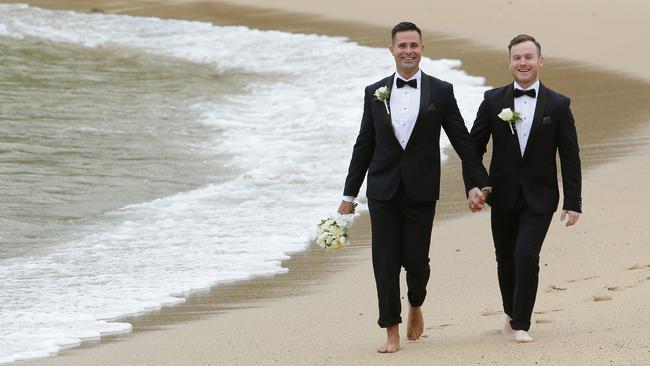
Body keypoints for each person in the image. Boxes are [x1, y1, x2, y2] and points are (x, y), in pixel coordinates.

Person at [338, 21, 490, 353]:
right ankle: (390, 332)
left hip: (421, 188)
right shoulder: (374, 92)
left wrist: (479, 182)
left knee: (417, 261)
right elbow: (364, 144)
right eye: (402, 45)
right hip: (382, 190)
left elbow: (462, 141)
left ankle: (416, 303)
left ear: (422, 49)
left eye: (414, 45)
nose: (408, 51)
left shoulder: (441, 91)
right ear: (391, 50)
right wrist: (349, 196)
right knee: (385, 261)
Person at [465, 34, 582, 343]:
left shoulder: (558, 104)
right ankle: (510, 311)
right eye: (517, 57)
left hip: (540, 197)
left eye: (529, 57)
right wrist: (475, 185)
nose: (523, 63)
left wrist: (574, 201)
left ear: (540, 61)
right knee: (504, 257)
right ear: (509, 62)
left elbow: (570, 155)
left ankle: (521, 324)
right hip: (502, 195)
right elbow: (473, 148)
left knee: (525, 254)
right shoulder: (492, 100)